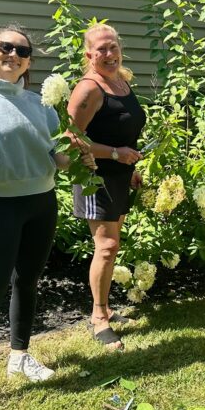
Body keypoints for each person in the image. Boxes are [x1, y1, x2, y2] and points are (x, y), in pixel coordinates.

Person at [0, 24, 95, 410]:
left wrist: (79, 156)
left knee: (27, 282)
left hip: (41, 204)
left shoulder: (40, 104)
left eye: (22, 51)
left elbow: (56, 157)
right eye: (6, 47)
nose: (14, 55)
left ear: (28, 61)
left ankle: (19, 356)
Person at [67, 23, 146, 349]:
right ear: (89, 55)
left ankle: (107, 309)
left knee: (113, 244)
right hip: (94, 177)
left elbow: (123, 129)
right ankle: (98, 318)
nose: (109, 54)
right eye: (101, 49)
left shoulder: (120, 82)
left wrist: (129, 168)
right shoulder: (89, 88)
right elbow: (71, 140)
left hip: (118, 175)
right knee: (107, 247)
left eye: (113, 47)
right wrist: (115, 153)